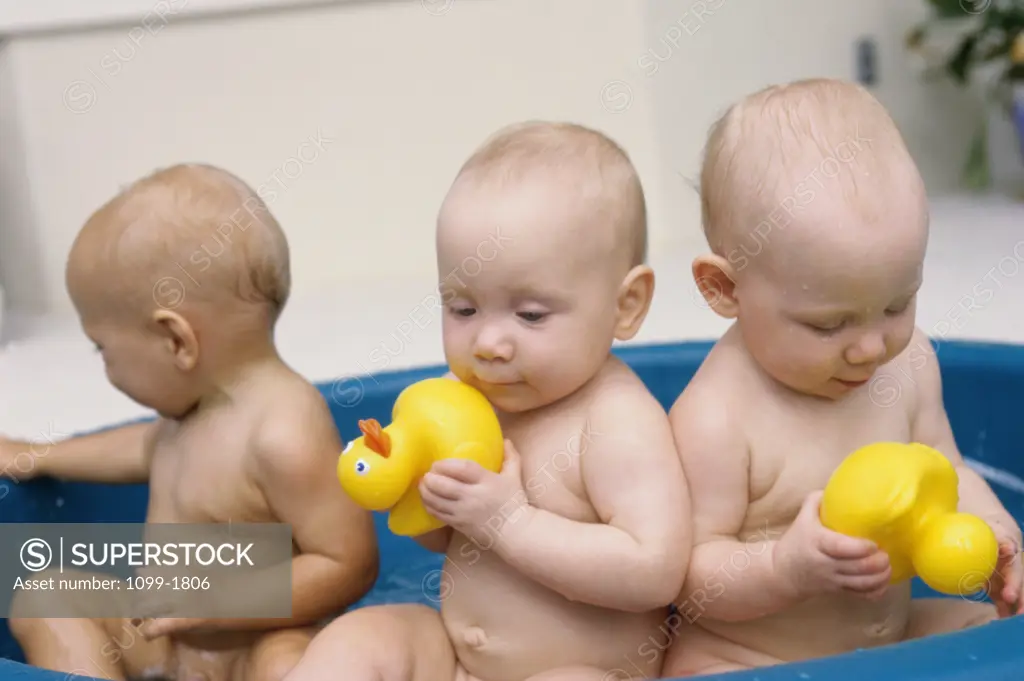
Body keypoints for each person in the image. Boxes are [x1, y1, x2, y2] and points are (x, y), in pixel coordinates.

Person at [283, 121, 692, 681]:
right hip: (456, 660)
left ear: (626, 305)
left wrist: (508, 521)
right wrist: (417, 490)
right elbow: (439, 538)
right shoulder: (466, 401)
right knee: (361, 637)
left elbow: (654, 573)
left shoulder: (617, 423)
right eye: (463, 309)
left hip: (580, 669)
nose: (489, 344)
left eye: (530, 315)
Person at [662, 78, 1024, 678]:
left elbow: (950, 469)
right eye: (828, 324)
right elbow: (684, 578)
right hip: (754, 654)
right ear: (725, 289)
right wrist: (785, 569)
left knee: (998, 638)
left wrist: (1000, 540)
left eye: (896, 305)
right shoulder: (715, 417)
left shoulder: (907, 364)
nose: (869, 347)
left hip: (895, 634)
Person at [2, 164, 379, 681]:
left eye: (103, 348)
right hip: (167, 644)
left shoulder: (284, 430)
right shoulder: (188, 414)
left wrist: (219, 600)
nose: (104, 365)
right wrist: (36, 454)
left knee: (298, 667)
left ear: (176, 340)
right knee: (45, 595)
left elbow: (348, 562)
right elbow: (142, 448)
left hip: (259, 646)